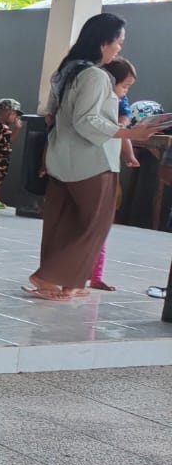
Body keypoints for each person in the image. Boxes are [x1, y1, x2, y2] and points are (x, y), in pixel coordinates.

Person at [31, 13, 165, 301]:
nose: (119, 48)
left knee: (62, 223)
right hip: (91, 161)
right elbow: (87, 121)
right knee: (94, 225)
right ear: (104, 42)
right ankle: (47, 277)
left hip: (62, 158)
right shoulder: (95, 75)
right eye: (119, 42)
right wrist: (130, 134)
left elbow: (54, 116)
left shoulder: (68, 70)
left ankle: (62, 282)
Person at [89, 57, 141, 293]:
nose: (126, 92)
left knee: (102, 223)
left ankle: (96, 275)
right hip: (91, 167)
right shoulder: (96, 99)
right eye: (125, 86)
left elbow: (123, 128)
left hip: (108, 168)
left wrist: (129, 154)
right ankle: (80, 274)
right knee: (91, 223)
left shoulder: (120, 104)